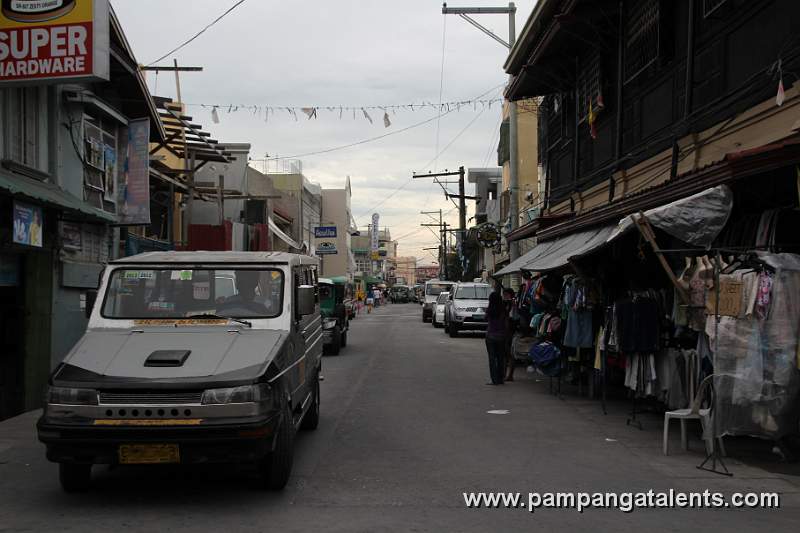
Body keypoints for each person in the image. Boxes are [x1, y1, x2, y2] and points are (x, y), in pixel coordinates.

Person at [485, 290, 508, 385]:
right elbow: (507, 324)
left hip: (490, 336)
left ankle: (494, 379)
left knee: (492, 358)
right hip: (501, 336)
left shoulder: (489, 310)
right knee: (500, 357)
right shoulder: (504, 310)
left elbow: (486, 319)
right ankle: (501, 378)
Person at [502, 287, 518, 381]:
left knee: (510, 354)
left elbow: (514, 317)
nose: (504, 296)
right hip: (505, 331)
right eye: (504, 295)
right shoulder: (505, 303)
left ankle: (509, 374)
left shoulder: (513, 303)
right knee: (506, 354)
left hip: (511, 331)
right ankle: (505, 374)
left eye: (506, 294)